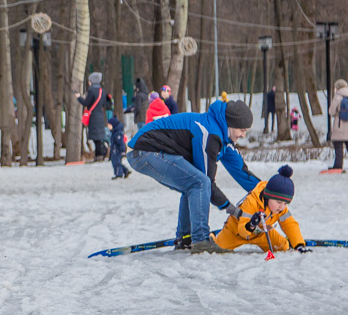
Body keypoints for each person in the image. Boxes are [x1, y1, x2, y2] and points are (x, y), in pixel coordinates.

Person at [127, 100, 260, 254]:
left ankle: (186, 238)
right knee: (200, 182)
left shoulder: (224, 138)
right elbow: (207, 182)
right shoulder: (209, 133)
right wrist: (233, 210)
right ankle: (201, 240)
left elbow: (242, 171)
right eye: (242, 130)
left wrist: (267, 192)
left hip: (145, 151)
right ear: (230, 124)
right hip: (144, 150)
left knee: (192, 184)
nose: (243, 135)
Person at [214, 165, 311, 254]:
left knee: (283, 246)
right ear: (268, 196)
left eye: (285, 203)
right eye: (279, 202)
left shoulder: (280, 209)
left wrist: (299, 245)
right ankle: (212, 237)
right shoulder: (252, 202)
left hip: (262, 233)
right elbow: (242, 230)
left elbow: (290, 224)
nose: (282, 206)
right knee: (218, 249)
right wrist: (251, 224)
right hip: (236, 233)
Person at [327, 79, 348, 171]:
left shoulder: (337, 97)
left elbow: (331, 111)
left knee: (338, 146)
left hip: (339, 124)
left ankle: (338, 164)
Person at [77, 72, 108, 159]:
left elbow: (86, 103)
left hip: (93, 117)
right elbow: (104, 103)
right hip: (100, 116)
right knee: (99, 137)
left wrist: (79, 97)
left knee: (96, 138)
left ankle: (99, 154)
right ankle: (101, 153)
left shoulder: (91, 90)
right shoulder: (102, 90)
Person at [106, 115, 130, 179]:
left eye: (109, 125)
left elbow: (121, 142)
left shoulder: (117, 133)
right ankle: (125, 171)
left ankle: (118, 174)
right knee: (117, 162)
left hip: (117, 150)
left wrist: (122, 150)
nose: (108, 126)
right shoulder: (114, 132)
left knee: (116, 163)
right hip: (114, 150)